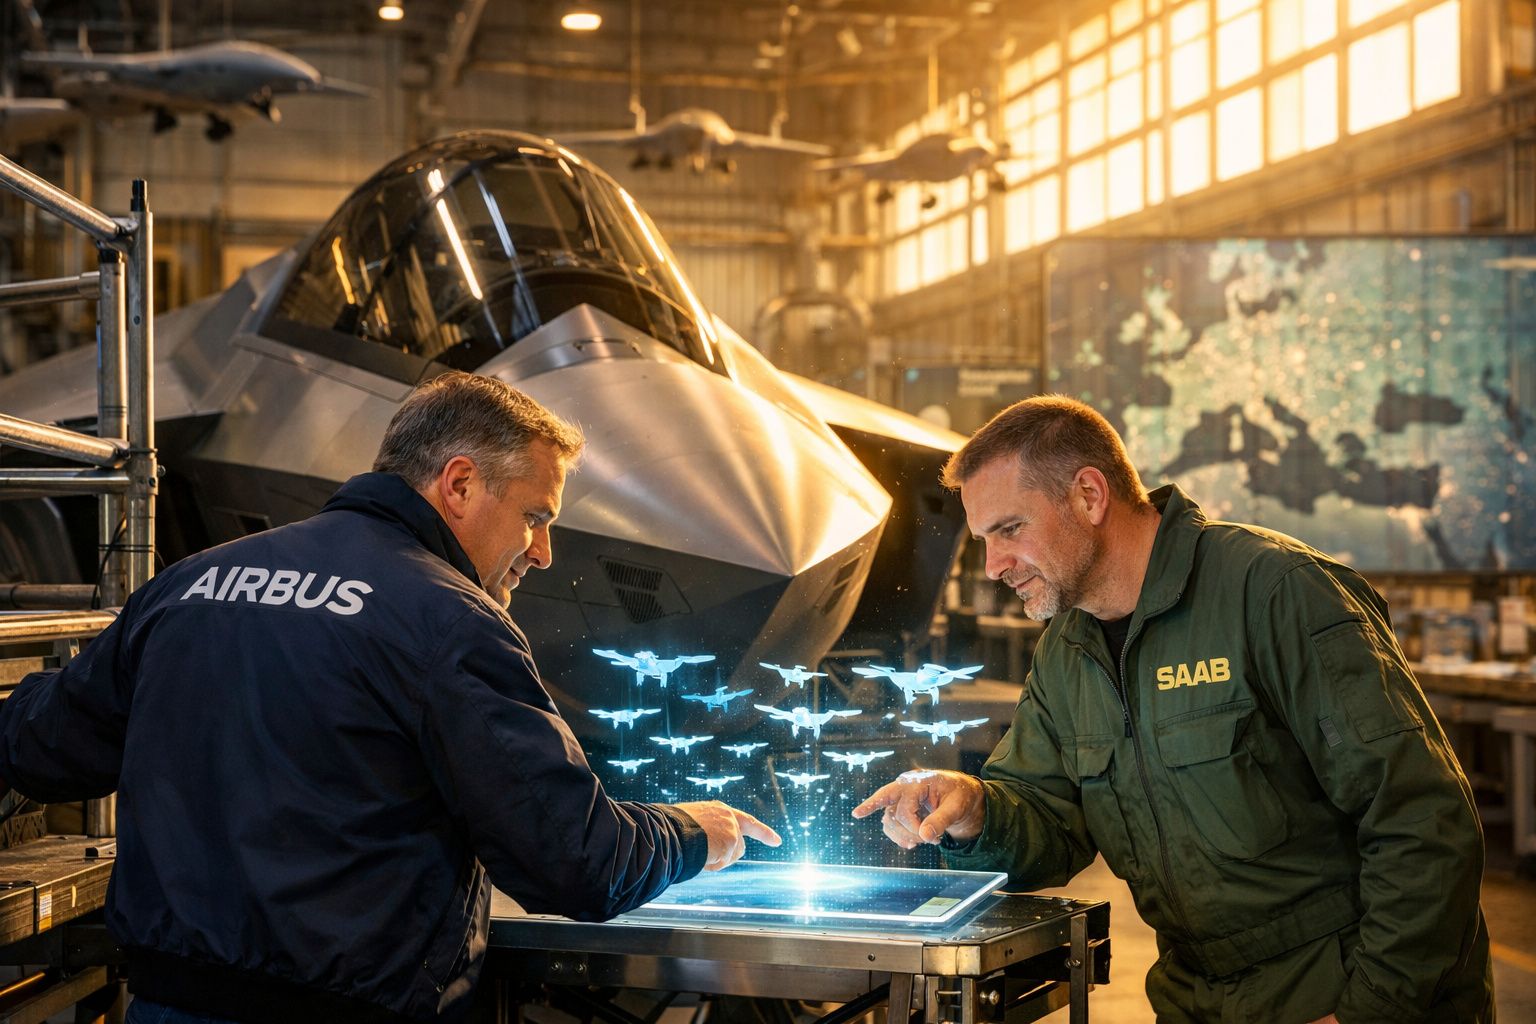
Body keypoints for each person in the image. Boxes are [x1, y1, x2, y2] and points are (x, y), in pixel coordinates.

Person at [0, 371, 779, 1023]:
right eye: (536, 517)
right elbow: (572, 861)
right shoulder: (450, 622)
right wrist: (691, 833)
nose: (543, 552)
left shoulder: (193, 582)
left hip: (168, 1007)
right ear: (461, 483)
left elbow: (41, 745)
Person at [853, 395, 1491, 1023]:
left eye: (1009, 530)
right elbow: (1049, 824)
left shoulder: (1274, 592)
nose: (993, 566)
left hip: (1343, 980)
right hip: (1196, 991)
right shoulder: (1067, 652)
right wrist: (975, 810)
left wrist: (1368, 1011)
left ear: (1089, 495)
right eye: (983, 541)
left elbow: (1422, 822)